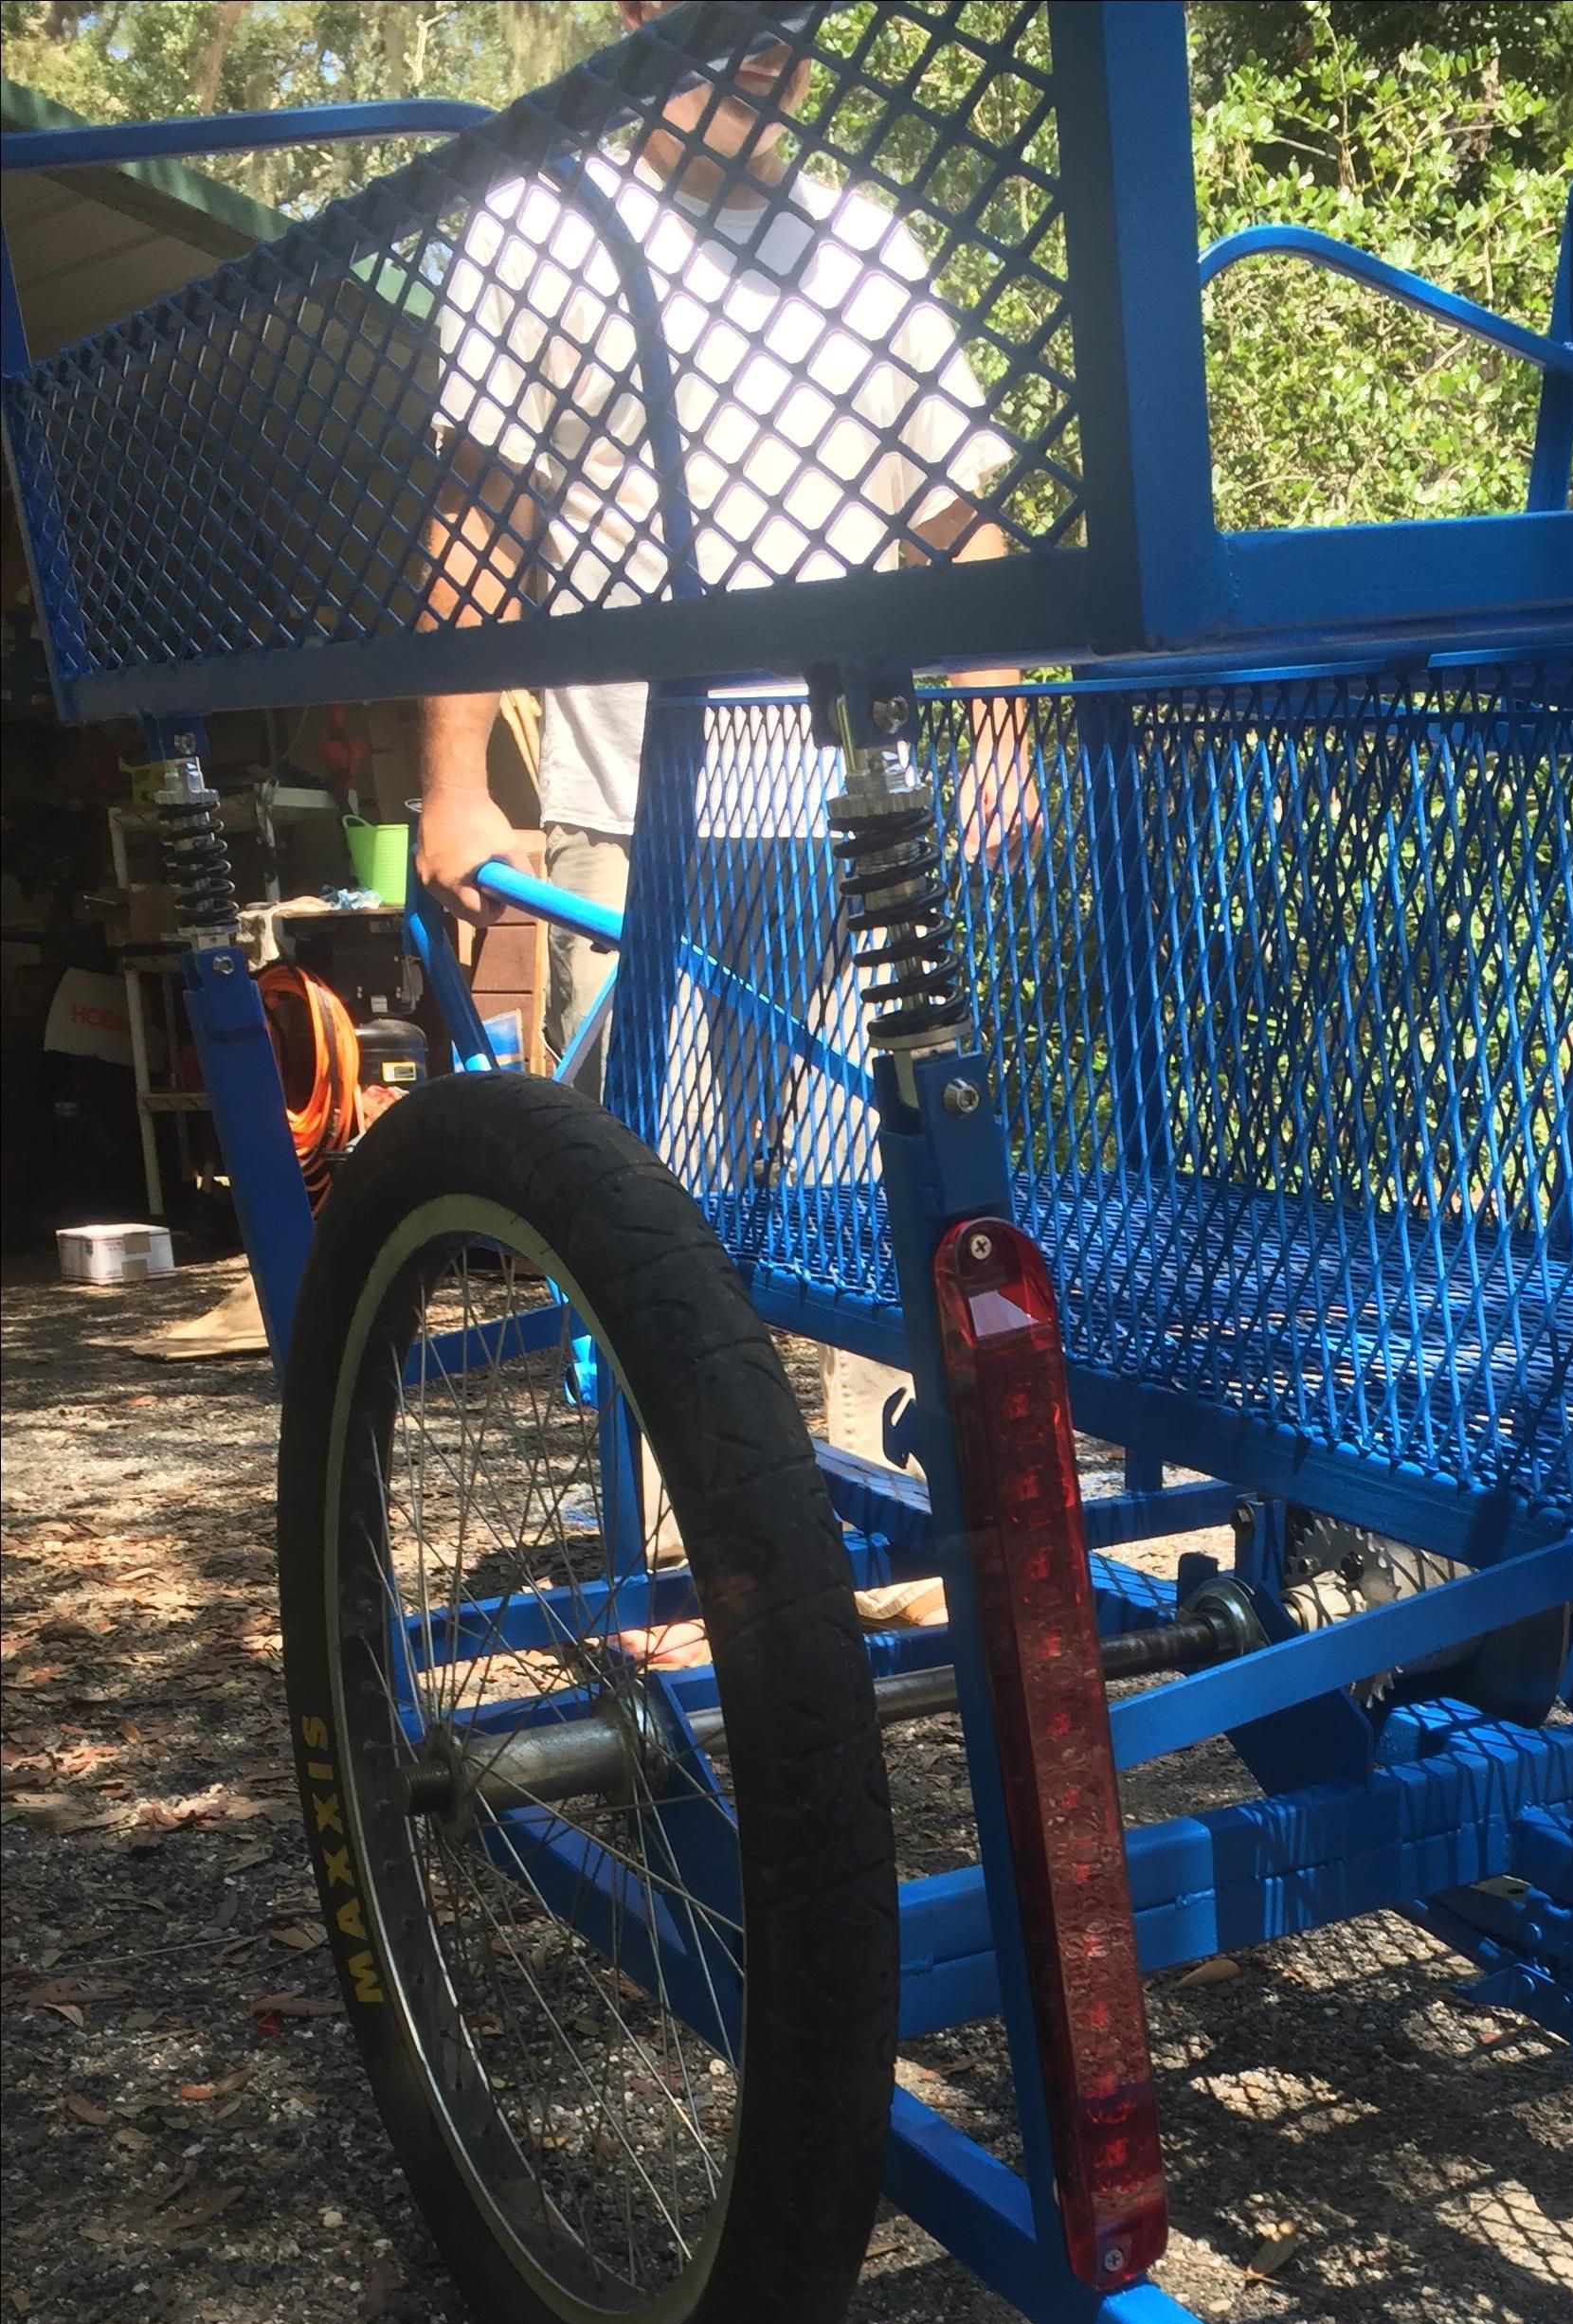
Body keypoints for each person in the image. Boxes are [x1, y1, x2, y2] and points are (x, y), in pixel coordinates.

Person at [417, 0, 1029, 1460]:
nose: (766, 35)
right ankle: (693, 1555)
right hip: (636, 813)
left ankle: (816, 1546)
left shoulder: (868, 248)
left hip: (848, 816)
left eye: (793, 12)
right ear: (635, 14)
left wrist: (1000, 706)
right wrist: (448, 777)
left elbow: (954, 517)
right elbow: (480, 518)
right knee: (656, 1205)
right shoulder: (540, 226)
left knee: (845, 1197)